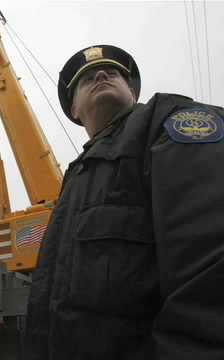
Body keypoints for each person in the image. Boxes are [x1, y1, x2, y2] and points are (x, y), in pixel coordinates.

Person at [25, 44, 224, 360]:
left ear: (131, 90)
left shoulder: (168, 122)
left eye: (112, 72)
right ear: (74, 110)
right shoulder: (76, 179)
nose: (101, 73)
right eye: (86, 77)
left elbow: (210, 273)